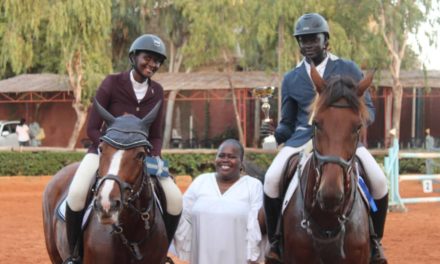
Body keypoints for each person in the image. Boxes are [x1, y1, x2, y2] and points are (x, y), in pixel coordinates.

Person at [263, 13, 389, 264]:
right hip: (302, 138)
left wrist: (351, 124)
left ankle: (375, 242)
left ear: (326, 40)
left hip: (341, 139)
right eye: (303, 40)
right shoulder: (291, 78)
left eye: (313, 39)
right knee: (271, 178)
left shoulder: (348, 68)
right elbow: (288, 122)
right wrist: (274, 134)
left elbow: (369, 110)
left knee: (379, 181)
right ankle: (277, 240)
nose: (308, 44)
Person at [64, 34, 183, 263]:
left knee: (175, 198)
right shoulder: (112, 83)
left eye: (157, 61)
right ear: (133, 57)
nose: (152, 64)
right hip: (106, 153)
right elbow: (92, 129)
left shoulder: (157, 91)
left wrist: (152, 157)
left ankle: (161, 254)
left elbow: (156, 135)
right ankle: (75, 253)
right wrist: (111, 148)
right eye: (147, 58)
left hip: (142, 155)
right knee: (77, 193)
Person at [173, 139, 264, 264]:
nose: (225, 160)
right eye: (221, 156)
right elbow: (183, 217)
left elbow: (255, 226)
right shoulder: (201, 181)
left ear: (241, 162)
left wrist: (252, 257)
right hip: (201, 258)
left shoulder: (253, 186)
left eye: (232, 156)